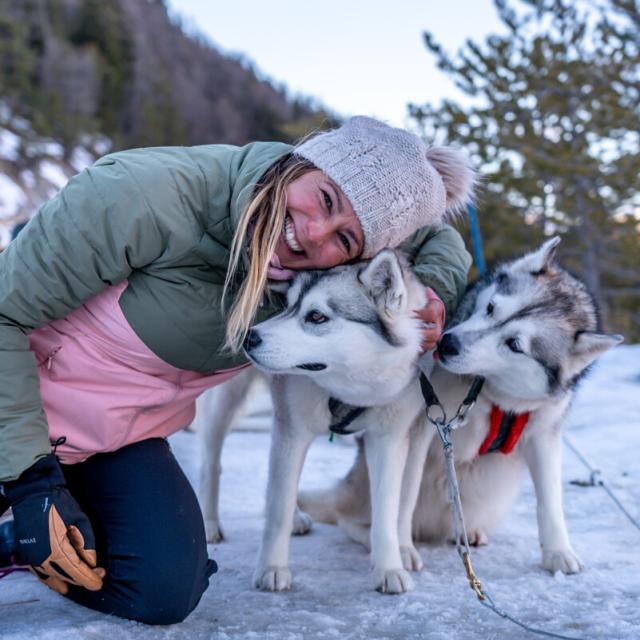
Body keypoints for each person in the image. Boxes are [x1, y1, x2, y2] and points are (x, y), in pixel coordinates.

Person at [0, 116, 475, 624]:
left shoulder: (299, 278)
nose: (312, 235)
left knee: (162, 589)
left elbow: (440, 241)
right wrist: (32, 484)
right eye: (327, 199)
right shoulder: (140, 194)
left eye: (345, 240)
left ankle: (16, 545)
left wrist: (431, 291)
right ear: (307, 160)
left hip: (111, 440)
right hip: (18, 415)